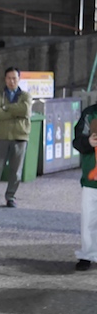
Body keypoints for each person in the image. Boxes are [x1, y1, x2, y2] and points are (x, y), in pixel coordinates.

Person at [0, 67, 32, 208]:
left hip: (20, 136)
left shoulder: (25, 96)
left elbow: (25, 110)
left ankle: (10, 197)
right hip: (2, 137)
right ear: (5, 79)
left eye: (14, 78)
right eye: (9, 78)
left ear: (19, 79)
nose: (12, 81)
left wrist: (6, 108)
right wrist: (15, 111)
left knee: (16, 171)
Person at [72, 102, 97, 271]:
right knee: (89, 218)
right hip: (91, 178)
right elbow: (77, 141)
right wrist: (88, 142)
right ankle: (87, 254)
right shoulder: (89, 114)